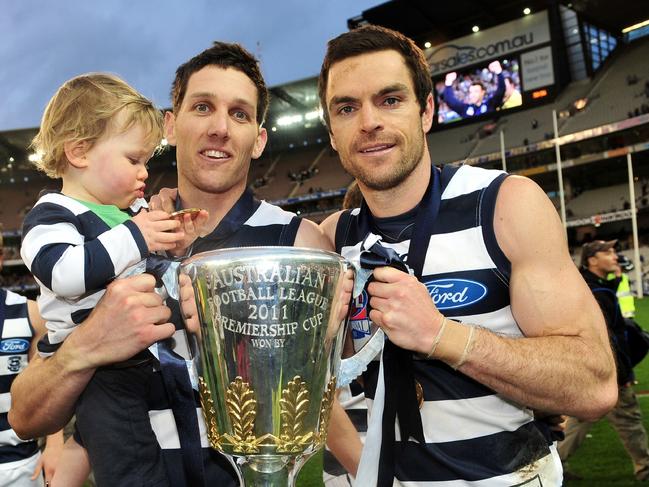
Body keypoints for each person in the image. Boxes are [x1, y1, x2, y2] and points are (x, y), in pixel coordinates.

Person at [9, 42, 329, 486]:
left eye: (239, 114)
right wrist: (87, 347)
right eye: (202, 107)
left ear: (259, 140)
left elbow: (329, 385)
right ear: (171, 125)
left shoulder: (298, 244)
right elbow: (24, 417)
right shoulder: (126, 231)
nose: (219, 127)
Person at [317, 25, 617, 486]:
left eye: (390, 100)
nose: (368, 121)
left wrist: (442, 335)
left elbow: (594, 383)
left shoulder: (504, 206)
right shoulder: (332, 241)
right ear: (332, 132)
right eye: (346, 108)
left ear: (427, 111)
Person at [19, 72, 198, 486]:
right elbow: (64, 274)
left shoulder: (125, 216)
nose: (144, 174)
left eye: (146, 163)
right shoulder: (51, 214)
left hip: (150, 361)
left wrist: (176, 249)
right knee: (132, 470)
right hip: (102, 376)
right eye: (134, 160)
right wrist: (139, 235)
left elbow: (153, 277)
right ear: (80, 152)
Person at [558, 240, 649, 481]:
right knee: (629, 419)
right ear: (592, 260)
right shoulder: (596, 292)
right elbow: (608, 340)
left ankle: (557, 460)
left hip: (589, 371)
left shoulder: (589, 286)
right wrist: (621, 375)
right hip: (607, 372)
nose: (614, 255)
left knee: (580, 421)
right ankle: (645, 467)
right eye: (606, 252)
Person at [0, 231, 64, 486]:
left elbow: (50, 387)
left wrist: (55, 443)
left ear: (1, 257)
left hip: (20, 464)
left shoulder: (31, 314)